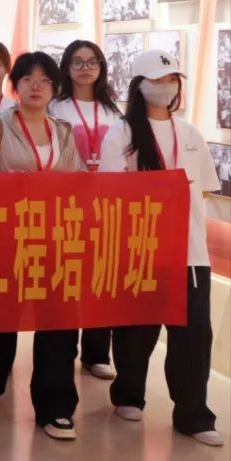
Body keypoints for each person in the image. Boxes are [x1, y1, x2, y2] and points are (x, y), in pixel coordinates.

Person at [99, 49, 224, 448]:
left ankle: (193, 413)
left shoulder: (189, 133)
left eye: (172, 80)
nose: (166, 87)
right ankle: (128, 393)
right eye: (157, 80)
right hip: (141, 248)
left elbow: (203, 188)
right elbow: (110, 192)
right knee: (137, 327)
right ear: (139, 85)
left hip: (189, 253)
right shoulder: (121, 134)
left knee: (194, 334)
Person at [0, 51, 85, 440]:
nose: (36, 86)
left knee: (59, 321)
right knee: (1, 311)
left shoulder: (64, 131)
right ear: (15, 85)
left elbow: (76, 182)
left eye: (45, 80)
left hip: (55, 238)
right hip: (8, 236)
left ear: (54, 87)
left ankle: (56, 407)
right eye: (27, 79)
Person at [48, 39, 123, 381]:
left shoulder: (113, 111)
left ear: (101, 67)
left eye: (92, 62)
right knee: (67, 276)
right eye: (77, 62)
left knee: (100, 277)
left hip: (105, 204)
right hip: (66, 204)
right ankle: (64, 347)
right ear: (66, 68)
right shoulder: (55, 107)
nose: (85, 68)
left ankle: (97, 353)